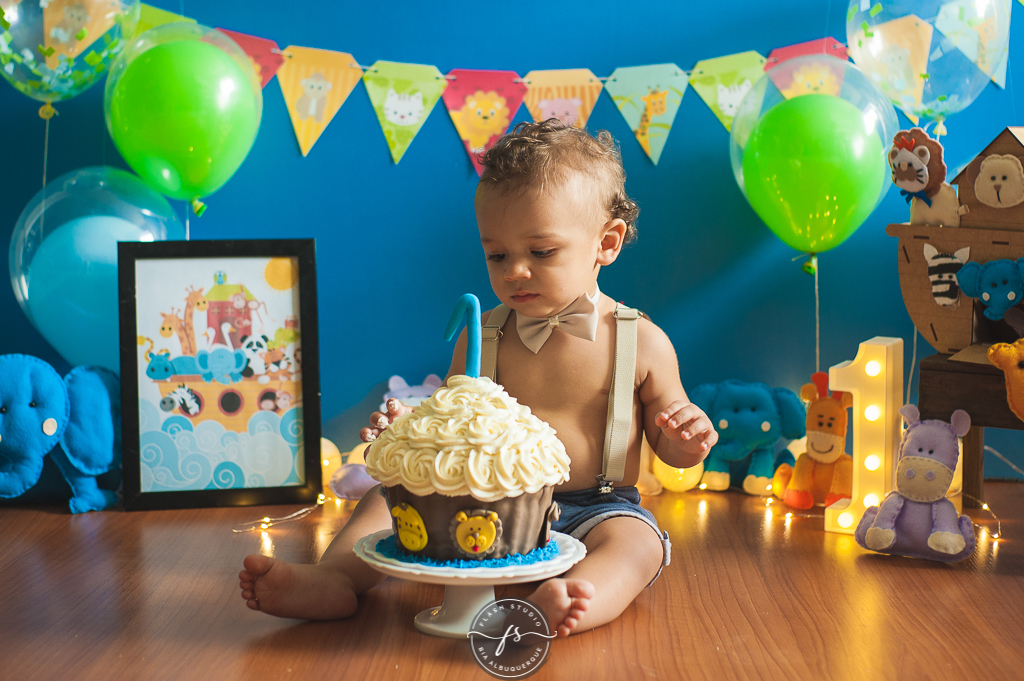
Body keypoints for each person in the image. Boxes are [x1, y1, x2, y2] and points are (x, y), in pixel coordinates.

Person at [239, 120, 717, 636]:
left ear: (607, 242)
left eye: (540, 252)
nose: (514, 271)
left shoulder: (640, 341)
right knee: (384, 499)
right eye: (497, 255)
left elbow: (674, 453)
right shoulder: (483, 334)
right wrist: (408, 431)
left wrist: (683, 438)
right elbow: (450, 425)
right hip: (482, 499)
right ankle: (334, 579)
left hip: (593, 506)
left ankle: (578, 596)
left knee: (636, 543)